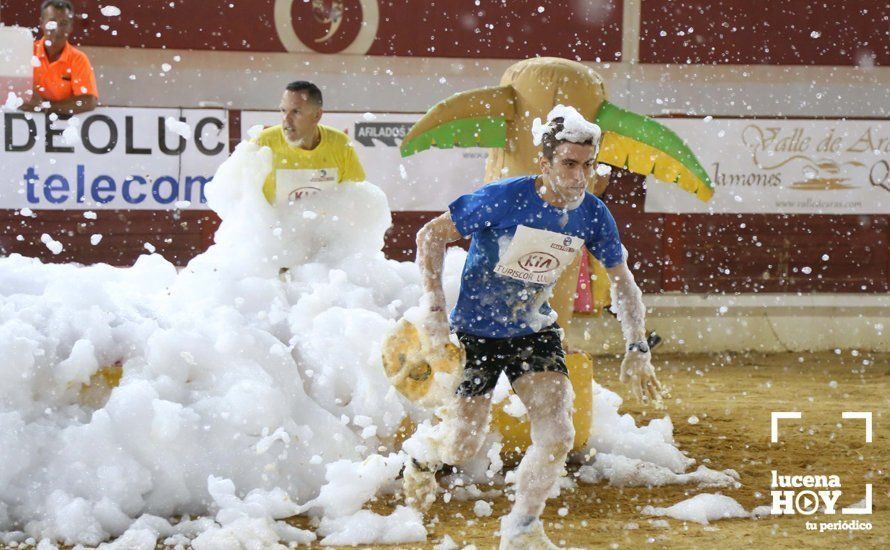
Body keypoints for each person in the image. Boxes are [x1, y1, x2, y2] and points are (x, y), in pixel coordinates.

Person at [410, 107, 664, 549]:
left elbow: (624, 281)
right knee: (462, 446)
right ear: (544, 164)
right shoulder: (503, 197)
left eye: (588, 164)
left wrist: (638, 345)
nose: (580, 175)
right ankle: (423, 456)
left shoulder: (594, 214)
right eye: (569, 163)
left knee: (558, 434)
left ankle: (523, 528)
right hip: (477, 333)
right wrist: (434, 309)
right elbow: (431, 235)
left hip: (533, 330)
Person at [252, 81, 366, 205]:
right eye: (283, 110)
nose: (286, 119)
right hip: (273, 224)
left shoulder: (340, 144)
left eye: (296, 112)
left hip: (327, 223)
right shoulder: (263, 143)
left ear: (317, 115)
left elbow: (357, 198)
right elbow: (239, 199)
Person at [22, 0, 98, 114]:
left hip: (66, 128)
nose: (57, 29)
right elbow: (8, 90)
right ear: (41, 23)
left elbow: (89, 101)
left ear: (71, 27)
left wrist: (44, 106)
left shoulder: (78, 59)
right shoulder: (25, 52)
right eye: (52, 22)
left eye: (63, 23)